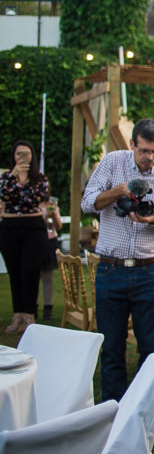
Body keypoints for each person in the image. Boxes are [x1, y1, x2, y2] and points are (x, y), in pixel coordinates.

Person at [81, 119, 154, 402]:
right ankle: (112, 414)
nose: (149, 157)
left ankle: (145, 416)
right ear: (132, 145)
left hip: (148, 270)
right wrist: (120, 191)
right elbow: (87, 202)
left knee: (151, 349)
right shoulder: (112, 163)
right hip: (110, 268)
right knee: (111, 347)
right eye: (144, 151)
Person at [0, 140, 51, 333]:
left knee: (30, 271)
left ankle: (30, 315)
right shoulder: (6, 177)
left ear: (32, 157)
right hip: (9, 227)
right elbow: (4, 195)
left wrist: (20, 188)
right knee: (15, 273)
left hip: (33, 227)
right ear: (14, 156)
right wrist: (14, 177)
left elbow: (36, 199)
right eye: (19, 153)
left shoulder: (40, 179)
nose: (22, 157)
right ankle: (17, 314)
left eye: (26, 153)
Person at [39, 196, 63, 321]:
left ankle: (47, 309)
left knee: (47, 277)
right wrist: (43, 216)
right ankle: (32, 307)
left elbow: (59, 226)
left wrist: (53, 215)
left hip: (49, 242)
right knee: (32, 276)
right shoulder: (32, 206)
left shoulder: (52, 205)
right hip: (35, 241)